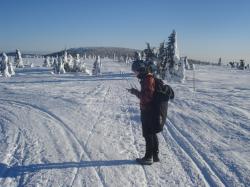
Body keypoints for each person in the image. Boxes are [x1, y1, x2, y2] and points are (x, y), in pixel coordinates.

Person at [127, 60, 160, 165]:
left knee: (148, 134)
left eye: (135, 71)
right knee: (151, 133)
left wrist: (135, 92)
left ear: (141, 70)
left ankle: (148, 157)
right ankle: (154, 156)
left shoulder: (148, 79)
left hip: (148, 111)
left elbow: (146, 97)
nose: (135, 74)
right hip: (150, 110)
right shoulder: (147, 78)